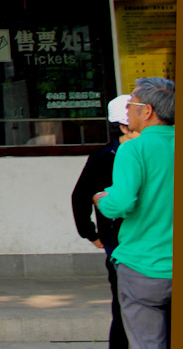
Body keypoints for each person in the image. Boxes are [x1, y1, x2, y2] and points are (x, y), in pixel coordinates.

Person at [93, 77, 174, 348]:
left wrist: (102, 199)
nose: (126, 110)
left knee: (147, 342)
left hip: (143, 266)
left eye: (131, 103)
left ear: (147, 111)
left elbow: (122, 203)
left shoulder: (133, 150)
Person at [70, 94, 134, 349]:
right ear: (123, 125)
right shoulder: (106, 156)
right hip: (119, 245)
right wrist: (90, 233)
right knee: (123, 307)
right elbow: (81, 196)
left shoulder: (148, 151)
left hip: (149, 244)